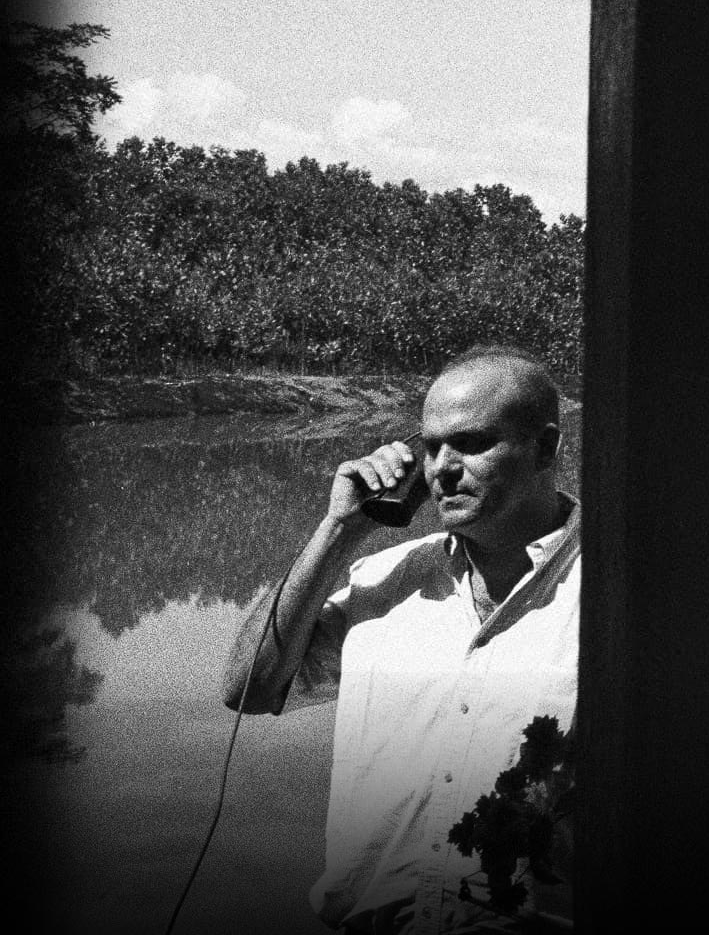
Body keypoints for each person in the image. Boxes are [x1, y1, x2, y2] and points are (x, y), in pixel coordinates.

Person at [223, 346, 579, 934]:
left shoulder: (614, 596)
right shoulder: (380, 582)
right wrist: (340, 529)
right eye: (431, 445)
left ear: (545, 448)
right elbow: (250, 690)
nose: (442, 467)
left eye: (470, 442)